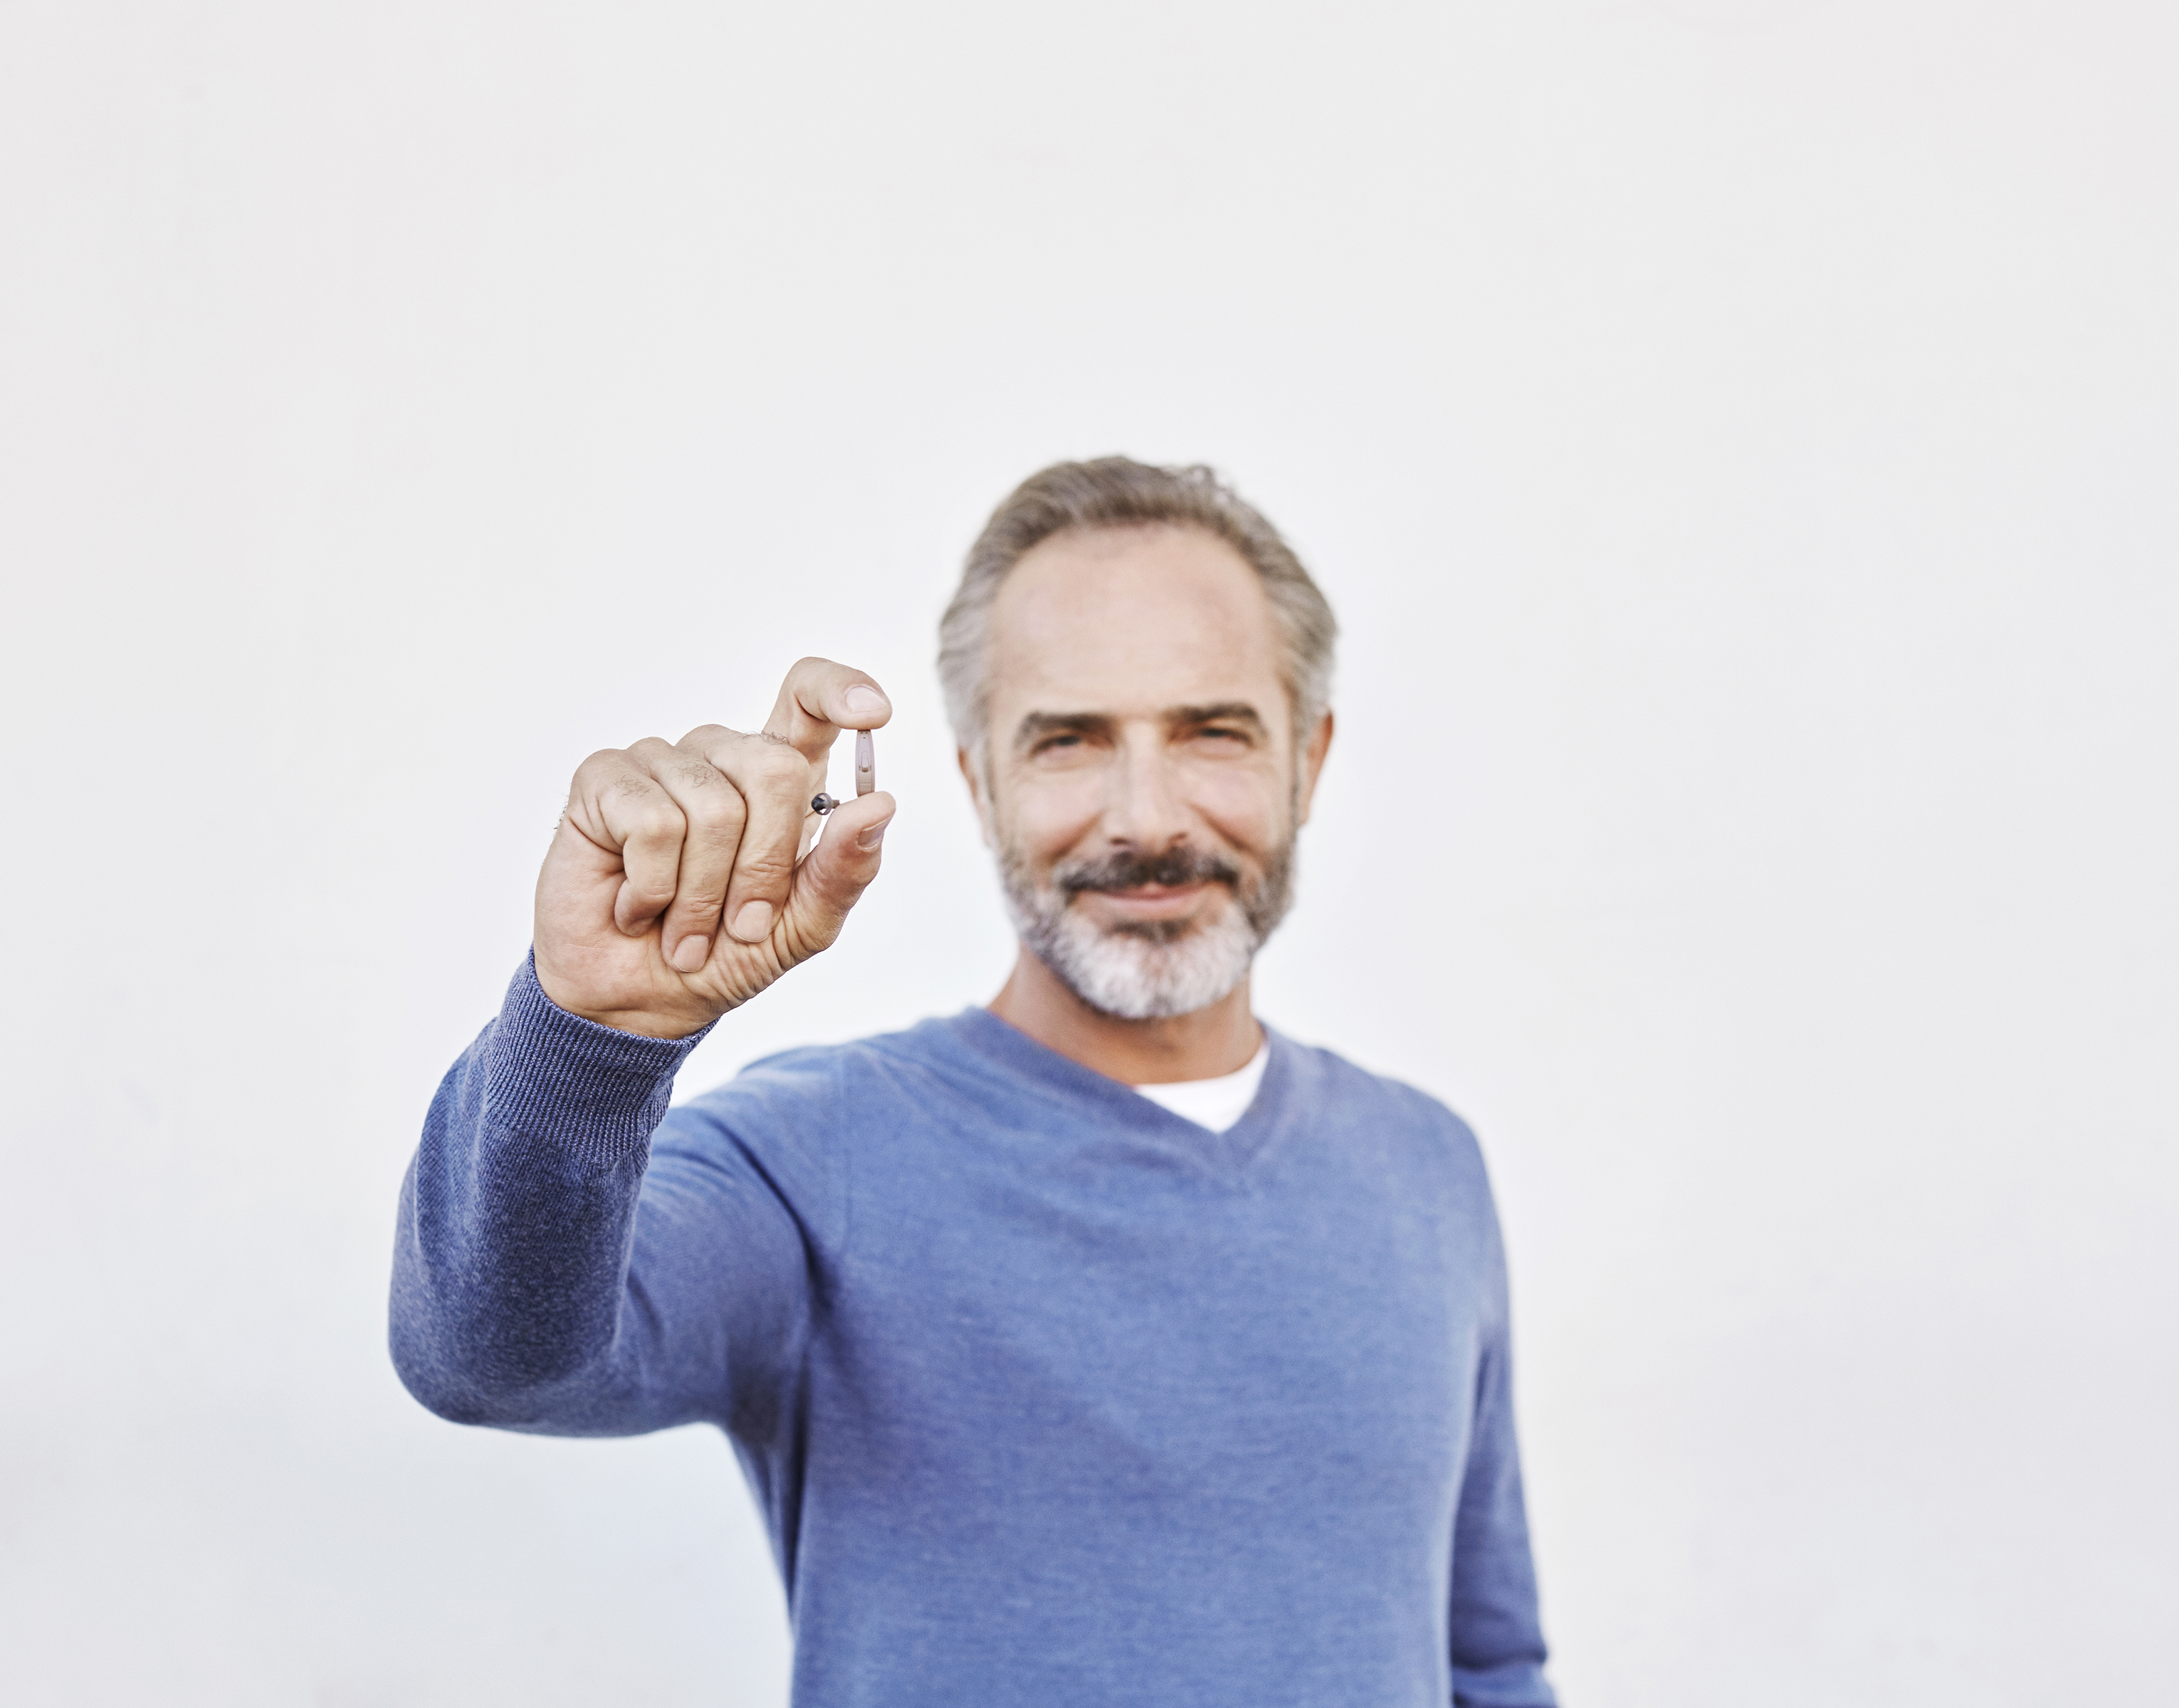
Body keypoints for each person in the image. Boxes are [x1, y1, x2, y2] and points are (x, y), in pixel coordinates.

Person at [390, 457, 1555, 1707]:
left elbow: (1487, 1662)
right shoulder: (813, 1158)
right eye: (1068, 741)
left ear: (1309, 760)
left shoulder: (1427, 1164)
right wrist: (590, 1039)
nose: (1145, 817)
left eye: (1213, 731)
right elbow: (491, 1359)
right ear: (976, 778)